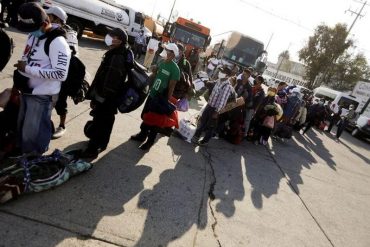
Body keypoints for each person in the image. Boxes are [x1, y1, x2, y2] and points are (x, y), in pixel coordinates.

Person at [14, 2, 71, 155]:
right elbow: (27, 56)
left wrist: (27, 69)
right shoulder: (33, 34)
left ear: (46, 23)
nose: (30, 33)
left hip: (42, 95)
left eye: (33, 30)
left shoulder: (58, 43)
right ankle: (24, 154)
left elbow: (61, 74)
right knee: (23, 130)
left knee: (33, 134)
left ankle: (33, 160)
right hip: (27, 91)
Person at [80, 28, 133, 158]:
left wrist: (98, 99)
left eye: (112, 36)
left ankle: (92, 150)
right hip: (112, 98)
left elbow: (109, 82)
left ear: (119, 40)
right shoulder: (118, 52)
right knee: (107, 120)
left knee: (100, 121)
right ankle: (102, 144)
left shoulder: (117, 57)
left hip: (107, 98)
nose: (109, 37)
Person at [130, 43, 180, 150]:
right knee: (146, 115)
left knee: (155, 121)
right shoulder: (162, 61)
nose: (165, 51)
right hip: (152, 94)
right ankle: (142, 134)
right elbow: (156, 73)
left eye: (168, 50)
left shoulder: (175, 69)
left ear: (173, 54)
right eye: (165, 49)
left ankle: (149, 141)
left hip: (160, 99)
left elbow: (172, 87)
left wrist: (165, 101)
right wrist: (153, 70)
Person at [45, 6, 79, 139]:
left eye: (50, 16)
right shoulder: (48, 29)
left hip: (63, 73)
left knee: (60, 102)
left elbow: (69, 56)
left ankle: (62, 125)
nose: (47, 18)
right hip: (48, 72)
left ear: (57, 19)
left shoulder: (68, 34)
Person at [191, 66, 236, 146]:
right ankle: (196, 136)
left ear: (227, 76)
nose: (220, 73)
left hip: (215, 109)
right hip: (209, 105)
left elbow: (222, 101)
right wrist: (204, 81)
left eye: (222, 72)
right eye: (221, 71)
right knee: (202, 121)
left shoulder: (227, 87)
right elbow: (211, 84)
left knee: (210, 126)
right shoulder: (219, 81)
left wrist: (216, 112)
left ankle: (205, 141)